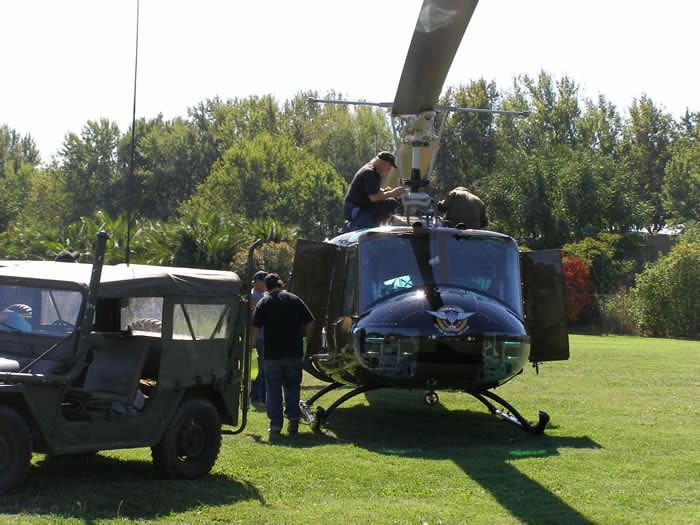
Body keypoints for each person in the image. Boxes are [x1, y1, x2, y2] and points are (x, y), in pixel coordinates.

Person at [251, 273, 315, 436]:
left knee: (273, 390)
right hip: (294, 353)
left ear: (266, 287)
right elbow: (310, 322)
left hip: (272, 354)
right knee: (292, 387)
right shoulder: (294, 299)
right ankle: (293, 419)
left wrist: (251, 345)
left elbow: (255, 327)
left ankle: (275, 425)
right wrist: (307, 341)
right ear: (281, 284)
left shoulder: (264, 302)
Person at [343, 151, 405, 231]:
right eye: (389, 166)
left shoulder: (375, 172)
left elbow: (372, 189)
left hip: (363, 205)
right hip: (354, 208)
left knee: (391, 202)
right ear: (382, 164)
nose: (389, 169)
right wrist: (392, 193)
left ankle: (375, 224)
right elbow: (374, 197)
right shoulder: (369, 172)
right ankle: (352, 226)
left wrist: (385, 191)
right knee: (365, 227)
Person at [249, 270, 267, 407]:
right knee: (258, 370)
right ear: (256, 282)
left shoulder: (264, 295)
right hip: (257, 339)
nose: (265, 284)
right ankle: (256, 397)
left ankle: (263, 397)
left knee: (265, 369)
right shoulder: (253, 296)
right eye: (263, 281)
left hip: (264, 338)